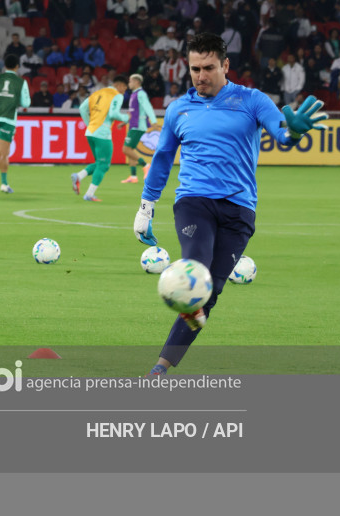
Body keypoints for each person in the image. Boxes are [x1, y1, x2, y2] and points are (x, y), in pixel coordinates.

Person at [133, 33, 328, 375]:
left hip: (239, 209)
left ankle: (169, 355)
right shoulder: (180, 108)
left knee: (210, 294)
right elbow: (162, 158)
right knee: (196, 271)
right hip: (195, 202)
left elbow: (282, 133)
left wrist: (294, 131)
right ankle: (158, 372)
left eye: (208, 68)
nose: (200, 76)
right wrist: (146, 207)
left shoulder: (252, 100)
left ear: (225, 65)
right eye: (195, 68)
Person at [69, 76, 131, 202]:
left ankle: (79, 176)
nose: (125, 90)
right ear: (119, 85)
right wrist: (125, 118)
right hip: (103, 133)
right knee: (104, 165)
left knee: (99, 163)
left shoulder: (97, 93)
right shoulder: (117, 95)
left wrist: (90, 124)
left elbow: (82, 109)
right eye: (125, 87)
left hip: (90, 132)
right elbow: (114, 114)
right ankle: (89, 194)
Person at [0, 54, 31, 196]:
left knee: (5, 152)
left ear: (5, 66)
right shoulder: (21, 82)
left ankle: (4, 183)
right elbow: (26, 103)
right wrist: (12, 101)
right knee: (1, 152)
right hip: (8, 118)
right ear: (17, 67)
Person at [120, 73, 158, 184]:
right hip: (133, 125)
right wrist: (124, 122)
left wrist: (154, 121)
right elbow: (132, 112)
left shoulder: (140, 94)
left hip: (138, 126)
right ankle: (133, 176)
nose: (129, 83)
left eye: (130, 81)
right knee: (130, 150)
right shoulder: (134, 94)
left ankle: (146, 165)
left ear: (136, 82)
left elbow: (148, 107)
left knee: (125, 149)